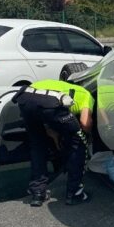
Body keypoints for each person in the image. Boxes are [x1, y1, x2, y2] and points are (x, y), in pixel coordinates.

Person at [13, 79, 94, 207]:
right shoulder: (86, 94)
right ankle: (74, 193)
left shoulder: (61, 86)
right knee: (78, 143)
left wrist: (55, 136)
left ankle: (38, 193)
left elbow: (43, 113)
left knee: (38, 146)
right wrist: (89, 136)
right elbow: (85, 123)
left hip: (24, 98)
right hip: (51, 102)